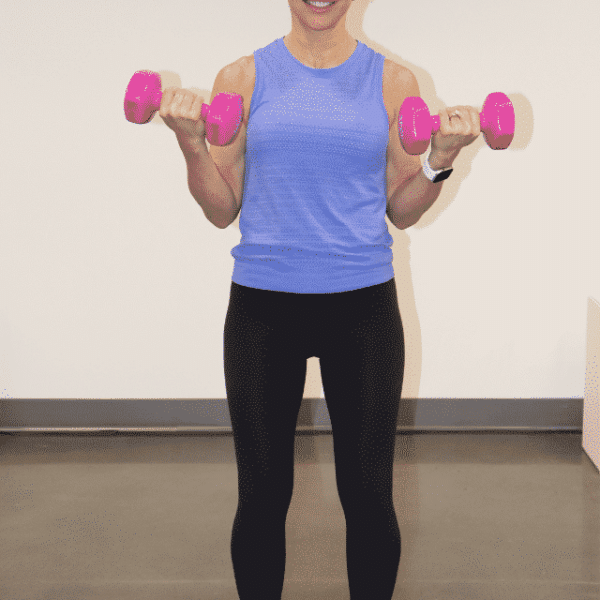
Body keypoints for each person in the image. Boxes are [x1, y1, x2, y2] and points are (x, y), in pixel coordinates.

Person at [159, 2, 481, 598]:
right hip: (262, 309)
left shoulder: (393, 82)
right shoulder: (242, 78)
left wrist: (440, 161)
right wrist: (191, 145)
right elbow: (221, 209)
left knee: (367, 496)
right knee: (260, 496)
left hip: (361, 310)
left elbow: (400, 209)